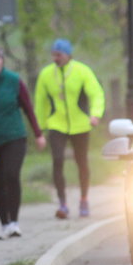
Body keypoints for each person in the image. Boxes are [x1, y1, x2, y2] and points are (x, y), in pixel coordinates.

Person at [34, 38, 105, 219]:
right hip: (56, 124)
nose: (55, 58)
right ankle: (63, 204)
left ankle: (83, 199)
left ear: (68, 55)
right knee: (57, 160)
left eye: (59, 55)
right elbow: (40, 102)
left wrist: (95, 114)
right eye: (53, 54)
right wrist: (39, 129)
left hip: (81, 124)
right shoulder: (46, 74)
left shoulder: (82, 71)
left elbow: (96, 93)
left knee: (81, 161)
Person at [0, 45, 46, 239]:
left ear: (2, 61)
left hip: (14, 137)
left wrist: (38, 133)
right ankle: (4, 224)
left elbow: (28, 108)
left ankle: (15, 222)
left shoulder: (14, 81)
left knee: (10, 175)